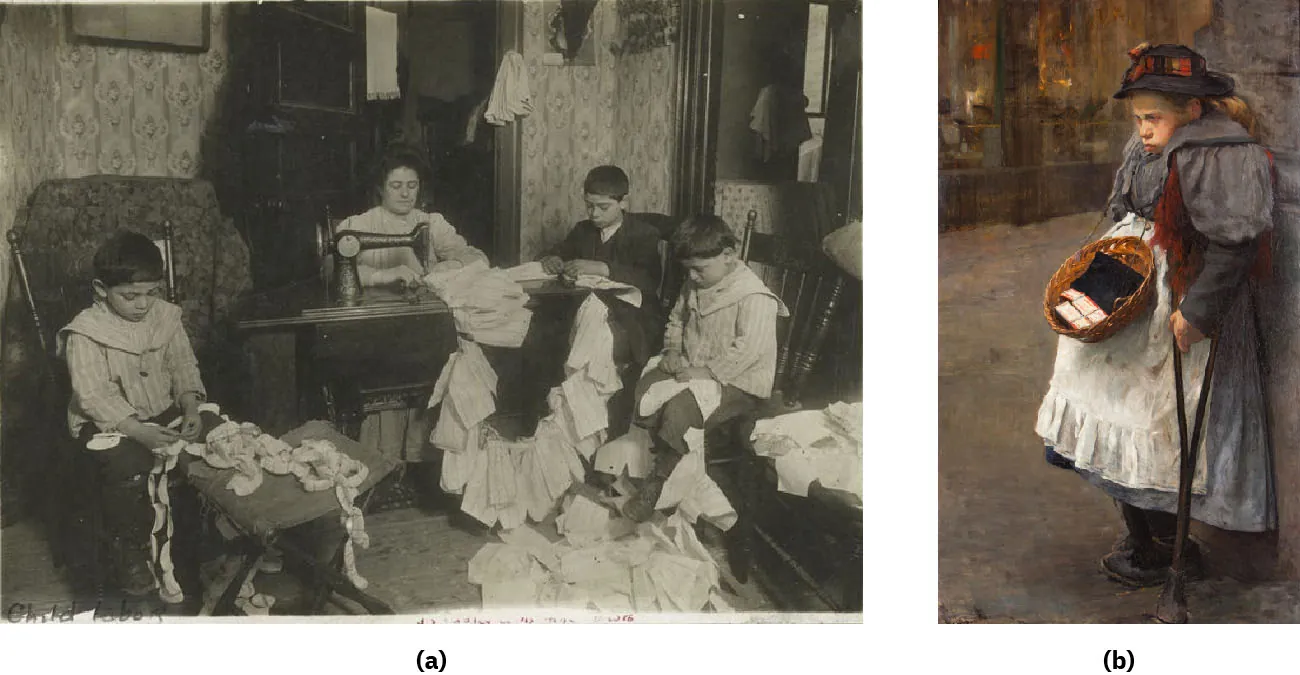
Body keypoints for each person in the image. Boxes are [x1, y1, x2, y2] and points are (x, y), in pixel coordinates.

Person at [1035, 43, 1276, 588]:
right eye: (1139, 118)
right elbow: (1124, 209)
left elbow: (1234, 245)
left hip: (1177, 300)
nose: (1143, 130)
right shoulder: (1147, 146)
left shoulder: (1220, 154)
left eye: (1153, 118)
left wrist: (1198, 312)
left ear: (1193, 110)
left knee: (1156, 415)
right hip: (1132, 283)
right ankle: (1146, 534)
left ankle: (1164, 545)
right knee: (1098, 390)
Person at [60, 231, 219, 597]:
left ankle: (202, 536)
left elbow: (182, 364)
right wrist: (138, 431)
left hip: (163, 411)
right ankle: (130, 550)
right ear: (102, 288)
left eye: (152, 293)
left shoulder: (165, 317)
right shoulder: (85, 331)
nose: (143, 304)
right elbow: (92, 395)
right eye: (130, 296)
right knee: (126, 465)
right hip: (108, 423)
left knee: (214, 435)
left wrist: (190, 405)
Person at [622, 215, 786, 522]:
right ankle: (649, 459)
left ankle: (658, 483)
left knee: (680, 408)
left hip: (739, 382)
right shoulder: (694, 285)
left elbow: (749, 350)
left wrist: (707, 372)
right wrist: (672, 349)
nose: (693, 277)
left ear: (728, 256)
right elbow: (676, 320)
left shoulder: (754, 296)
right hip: (695, 366)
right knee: (648, 384)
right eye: (689, 270)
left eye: (700, 269)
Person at [335, 146, 488, 470]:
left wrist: (448, 268)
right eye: (396, 185)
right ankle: (382, 461)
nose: (405, 193)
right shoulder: (357, 224)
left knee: (437, 371)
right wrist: (383, 275)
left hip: (424, 325)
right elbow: (336, 271)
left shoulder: (432, 223)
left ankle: (424, 463)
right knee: (382, 377)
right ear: (380, 187)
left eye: (412, 185)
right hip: (373, 328)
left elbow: (476, 257)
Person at [538, 165, 666, 436]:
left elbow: (649, 279)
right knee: (549, 331)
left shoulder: (643, 234)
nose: (594, 214)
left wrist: (602, 268)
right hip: (588, 311)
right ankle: (570, 419)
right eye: (589, 206)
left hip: (633, 320)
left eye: (603, 207)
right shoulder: (583, 230)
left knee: (590, 342)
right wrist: (553, 258)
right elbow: (559, 250)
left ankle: (588, 423)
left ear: (624, 202)